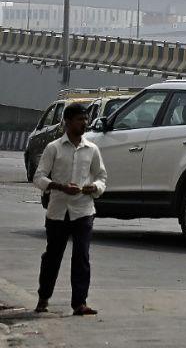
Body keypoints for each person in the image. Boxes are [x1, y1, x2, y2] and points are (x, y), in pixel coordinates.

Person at [32, 102, 107, 316]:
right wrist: (59, 186)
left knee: (81, 256)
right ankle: (43, 297)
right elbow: (39, 177)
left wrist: (95, 188)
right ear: (67, 122)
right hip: (58, 211)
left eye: (85, 120)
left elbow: (102, 176)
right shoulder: (53, 148)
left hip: (83, 210)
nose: (84, 123)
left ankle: (79, 303)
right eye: (79, 120)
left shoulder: (92, 149)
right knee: (53, 257)